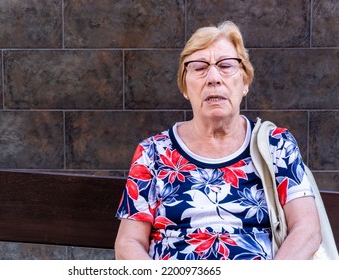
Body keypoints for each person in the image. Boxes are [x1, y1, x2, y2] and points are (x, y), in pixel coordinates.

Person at [114, 21, 321, 260]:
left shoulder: (277, 145)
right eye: (199, 68)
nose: (213, 77)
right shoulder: (152, 153)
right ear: (184, 87)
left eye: (226, 66)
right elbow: (128, 242)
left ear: (245, 82)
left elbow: (307, 230)